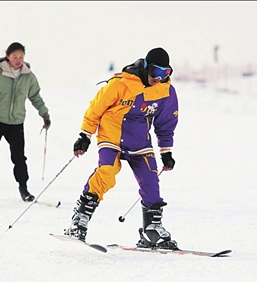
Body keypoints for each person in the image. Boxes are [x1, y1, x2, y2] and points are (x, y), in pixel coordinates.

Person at [64, 47, 179, 250]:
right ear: (146, 67)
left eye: (165, 73)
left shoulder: (165, 92)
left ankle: (151, 229)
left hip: (139, 141)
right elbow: (95, 109)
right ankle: (79, 220)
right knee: (107, 173)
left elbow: (166, 124)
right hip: (112, 136)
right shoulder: (120, 84)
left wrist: (166, 152)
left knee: (151, 180)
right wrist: (85, 135)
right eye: (155, 71)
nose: (159, 77)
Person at [0, 42, 51, 203]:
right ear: (8, 56)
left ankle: (24, 188)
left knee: (19, 157)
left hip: (16, 122)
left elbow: (35, 97)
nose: (18, 60)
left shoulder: (29, 77)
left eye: (21, 57)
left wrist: (44, 114)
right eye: (14, 57)